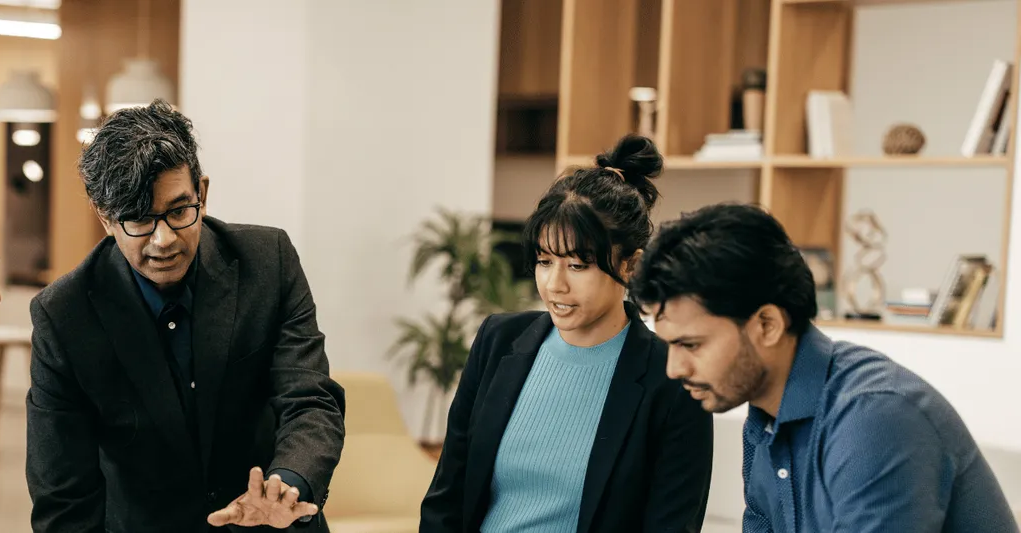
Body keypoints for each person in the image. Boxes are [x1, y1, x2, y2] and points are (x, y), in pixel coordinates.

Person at [26, 100, 345, 532]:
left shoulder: (268, 263)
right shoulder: (65, 316)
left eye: (179, 211)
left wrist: (283, 487)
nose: (163, 240)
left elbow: (309, 400)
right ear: (105, 219)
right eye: (138, 220)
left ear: (203, 192)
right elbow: (63, 496)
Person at [630, 203, 1019, 533]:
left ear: (767, 324)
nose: (674, 368)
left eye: (691, 345)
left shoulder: (874, 417)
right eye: (669, 345)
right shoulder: (766, 416)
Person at [420, 134, 714, 533]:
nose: (555, 285)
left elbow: (672, 525)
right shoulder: (497, 340)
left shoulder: (674, 375)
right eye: (544, 261)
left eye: (578, 265)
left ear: (630, 265)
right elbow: (446, 499)